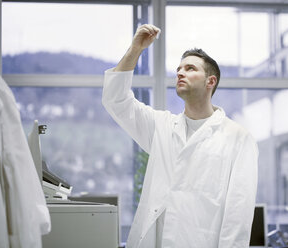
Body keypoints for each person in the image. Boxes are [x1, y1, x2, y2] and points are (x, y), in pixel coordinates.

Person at [102, 24, 258, 248]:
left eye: (190, 68)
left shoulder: (238, 138)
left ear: (210, 82)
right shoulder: (162, 126)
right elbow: (116, 100)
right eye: (179, 68)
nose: (180, 72)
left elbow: (238, 214)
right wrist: (135, 49)